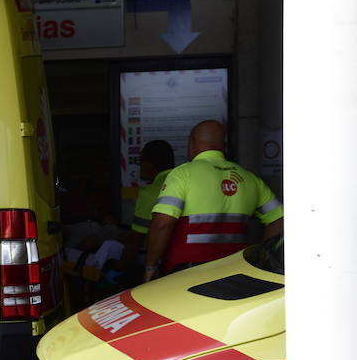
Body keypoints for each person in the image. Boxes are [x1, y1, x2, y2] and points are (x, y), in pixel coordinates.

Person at [143, 120, 282, 281]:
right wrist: (260, 257)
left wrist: (151, 266)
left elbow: (163, 223)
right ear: (224, 146)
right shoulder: (250, 179)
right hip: (235, 272)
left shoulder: (182, 174)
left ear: (192, 144)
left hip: (186, 274)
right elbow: (279, 219)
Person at [121, 139, 176, 271]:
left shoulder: (149, 193)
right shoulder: (184, 182)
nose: (140, 166)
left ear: (151, 165)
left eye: (141, 162)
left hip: (160, 262)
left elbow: (136, 241)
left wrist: (119, 269)